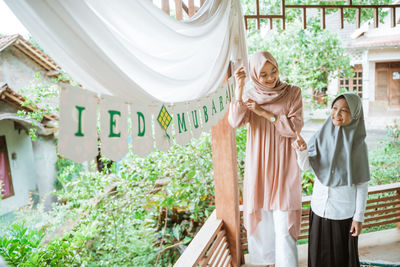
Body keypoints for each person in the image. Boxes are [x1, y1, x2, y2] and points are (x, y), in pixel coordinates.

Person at [228, 51, 304, 267]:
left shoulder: (293, 93)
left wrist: (264, 114)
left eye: (274, 71)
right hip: (259, 166)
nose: (271, 78)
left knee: (284, 228)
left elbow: (294, 128)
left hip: (285, 166)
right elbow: (235, 121)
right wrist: (239, 89)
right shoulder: (250, 96)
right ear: (254, 75)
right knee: (263, 230)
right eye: (263, 74)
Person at [292, 92, 370, 267]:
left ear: (355, 114)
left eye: (344, 110)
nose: (337, 114)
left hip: (343, 214)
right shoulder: (322, 136)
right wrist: (302, 150)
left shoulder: (359, 146)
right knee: (318, 258)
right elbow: (306, 167)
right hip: (319, 209)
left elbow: (362, 185)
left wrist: (358, 218)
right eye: (334, 108)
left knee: (341, 260)